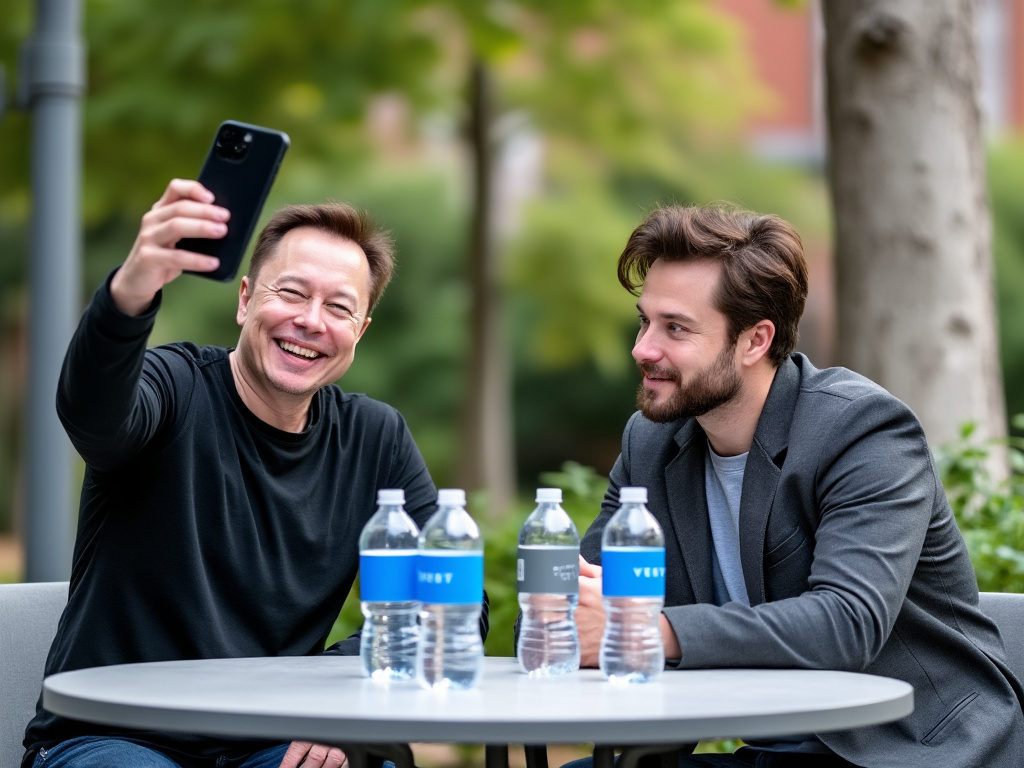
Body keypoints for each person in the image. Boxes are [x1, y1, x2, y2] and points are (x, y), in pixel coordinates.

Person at [23, 180, 488, 768]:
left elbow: (454, 606)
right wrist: (131, 291)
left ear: (361, 331)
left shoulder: (376, 438)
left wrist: (332, 700)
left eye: (339, 307)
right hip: (115, 738)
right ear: (245, 300)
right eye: (291, 293)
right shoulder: (174, 386)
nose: (311, 321)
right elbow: (93, 414)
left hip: (270, 745)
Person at [575, 204, 1024, 767]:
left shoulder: (862, 431)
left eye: (676, 328)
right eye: (645, 321)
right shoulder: (652, 443)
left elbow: (846, 621)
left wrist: (652, 631)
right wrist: (567, 613)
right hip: (774, 750)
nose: (643, 348)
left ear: (754, 340)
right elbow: (575, 599)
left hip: (906, 748)